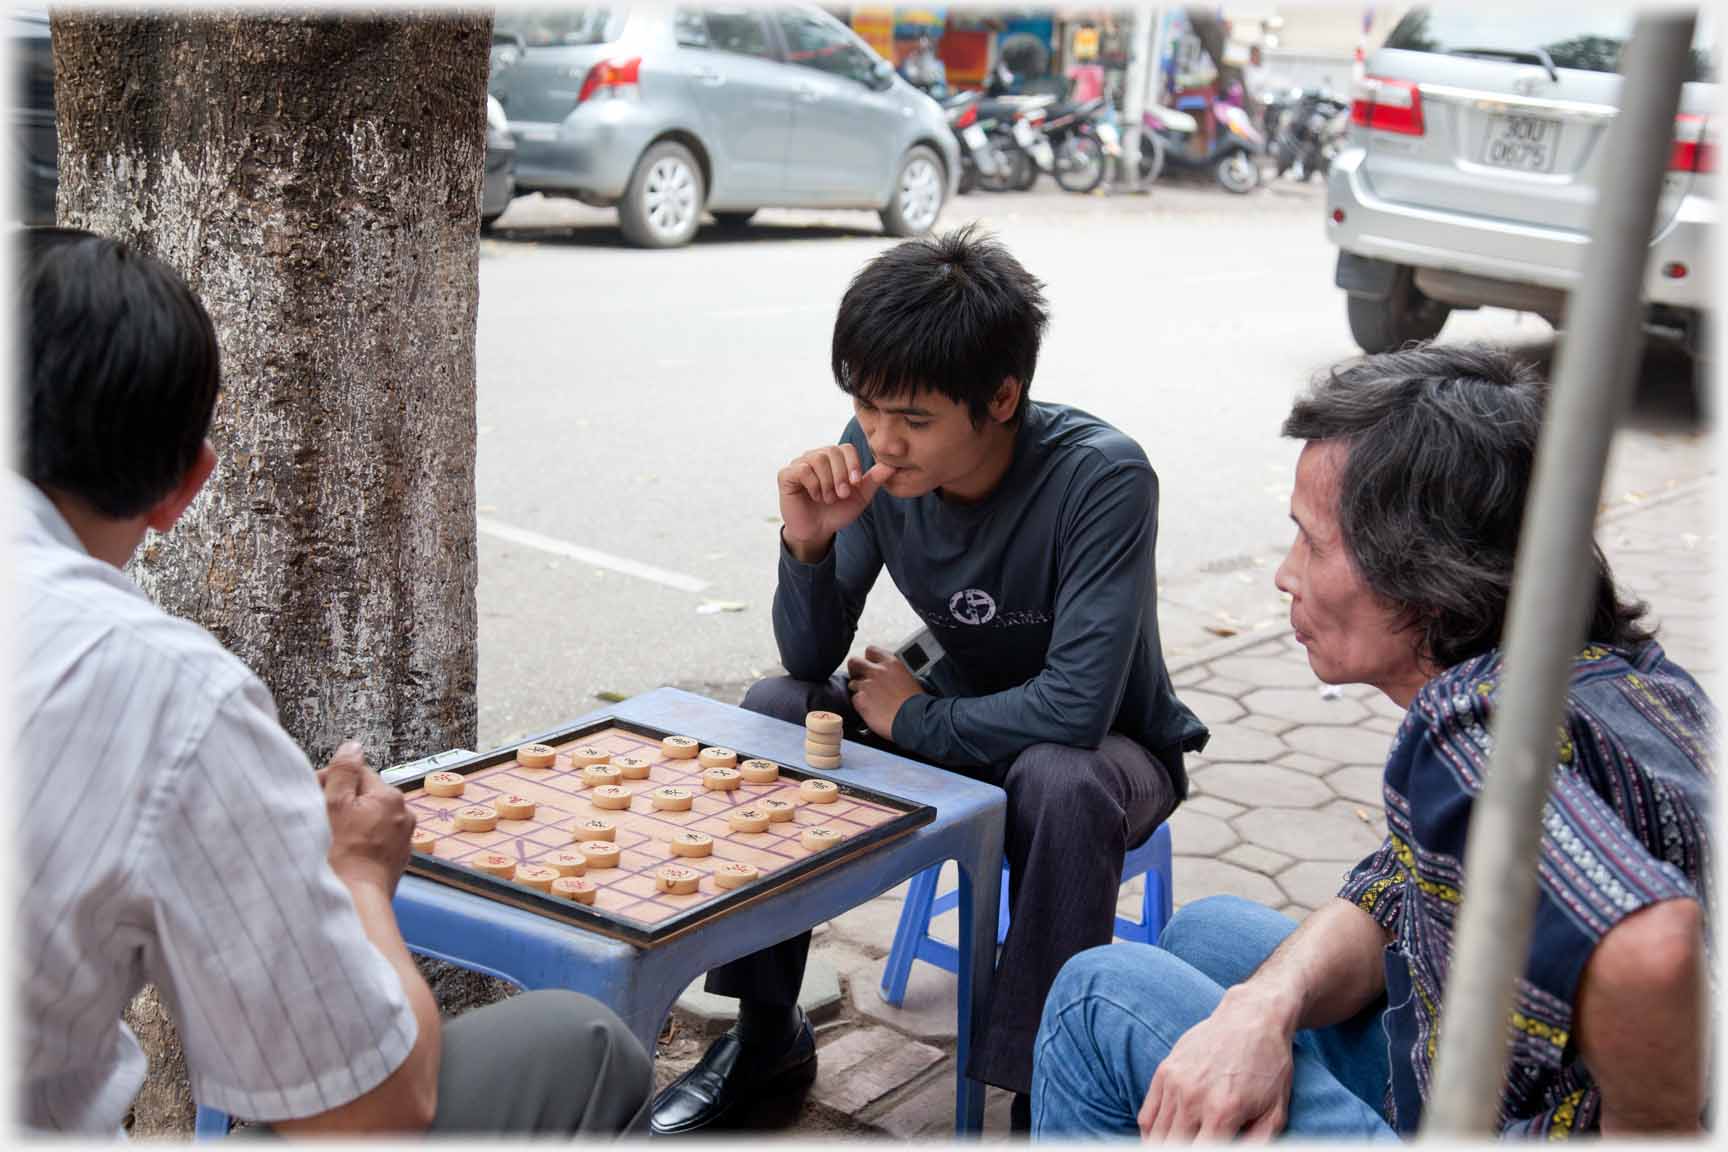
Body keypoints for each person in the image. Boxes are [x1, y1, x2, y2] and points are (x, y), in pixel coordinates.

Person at [14, 227, 654, 1137]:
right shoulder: (166, 695)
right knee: (583, 1044)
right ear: (185, 488)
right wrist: (355, 877)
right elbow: (368, 1116)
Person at [1032, 345, 1713, 1139]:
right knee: (1207, 937)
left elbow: (1654, 953)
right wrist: (1262, 1009)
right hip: (1463, 1061)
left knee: (1095, 995)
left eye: (1312, 542)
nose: (1286, 575)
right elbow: (1399, 889)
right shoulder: (1634, 681)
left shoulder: (1470, 729)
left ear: (1421, 572)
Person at [650, 226, 1208, 1136]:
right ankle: (766, 1037)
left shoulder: (1102, 477)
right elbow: (806, 660)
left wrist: (914, 724)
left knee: (1055, 781)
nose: (882, 441)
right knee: (776, 710)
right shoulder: (874, 457)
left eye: (913, 419)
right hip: (956, 720)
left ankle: (1047, 1093)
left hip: (1111, 751)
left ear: (1000, 397)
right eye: (867, 408)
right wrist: (808, 542)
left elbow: (1075, 710)